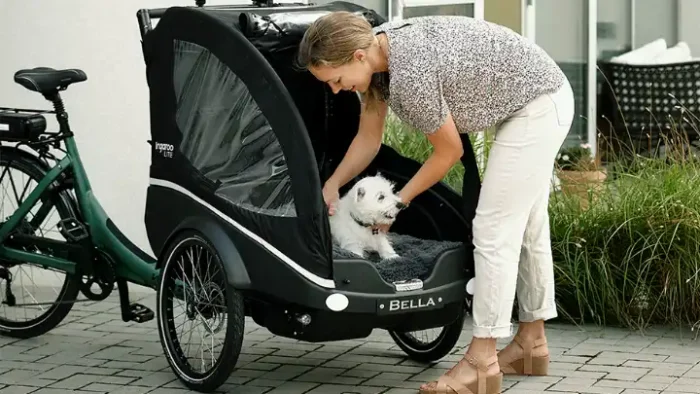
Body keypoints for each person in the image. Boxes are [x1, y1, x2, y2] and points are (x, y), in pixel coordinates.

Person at [297, 10, 574, 394]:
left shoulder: (410, 74)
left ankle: (481, 361)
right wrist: (333, 184)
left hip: (539, 105)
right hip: (535, 94)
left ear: (358, 57)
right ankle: (531, 344)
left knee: (494, 229)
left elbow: (447, 152)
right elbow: (368, 140)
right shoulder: (377, 54)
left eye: (336, 80)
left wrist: (396, 204)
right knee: (528, 224)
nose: (335, 90)